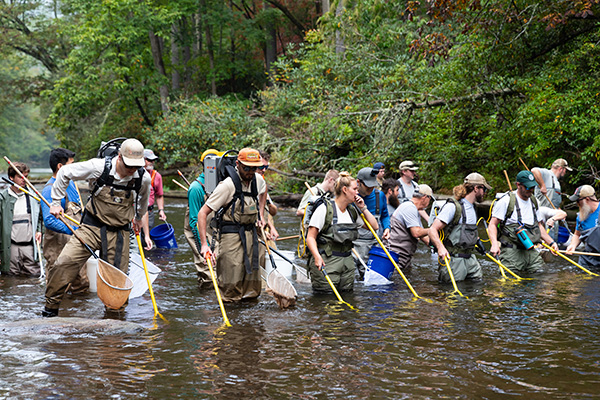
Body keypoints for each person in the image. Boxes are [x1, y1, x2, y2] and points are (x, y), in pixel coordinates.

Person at [43, 138, 151, 317]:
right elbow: (65, 173)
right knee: (64, 263)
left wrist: (138, 218)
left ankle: (114, 321)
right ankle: (50, 308)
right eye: (128, 165)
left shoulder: (143, 178)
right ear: (119, 157)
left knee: (117, 281)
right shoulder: (98, 167)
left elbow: (143, 201)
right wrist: (55, 202)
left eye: (135, 166)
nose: (132, 170)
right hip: (91, 226)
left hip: (119, 231)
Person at [197, 148, 267, 302]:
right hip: (230, 237)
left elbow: (264, 191)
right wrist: (204, 245)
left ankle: (249, 321)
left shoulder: (258, 181)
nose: (250, 172)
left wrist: (261, 214)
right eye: (246, 168)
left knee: (252, 285)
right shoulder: (227, 186)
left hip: (252, 236)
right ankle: (231, 318)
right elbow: (202, 214)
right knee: (231, 285)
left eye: (253, 168)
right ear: (238, 164)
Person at [305, 172, 378, 293]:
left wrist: (363, 208)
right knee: (325, 301)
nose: (357, 192)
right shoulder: (324, 209)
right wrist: (317, 257)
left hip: (347, 264)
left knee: (347, 297)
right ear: (344, 189)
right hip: (327, 262)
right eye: (354, 189)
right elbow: (310, 237)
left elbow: (374, 226)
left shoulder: (351, 211)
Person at [488, 170, 558, 274]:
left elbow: (538, 225)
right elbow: (492, 224)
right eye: (528, 187)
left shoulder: (534, 201)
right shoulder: (506, 201)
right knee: (510, 284)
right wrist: (494, 244)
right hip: (511, 252)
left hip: (531, 251)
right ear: (518, 185)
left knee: (542, 277)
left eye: (533, 187)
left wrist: (551, 242)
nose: (531, 190)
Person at [429, 173, 491, 282]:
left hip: (470, 258)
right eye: (484, 189)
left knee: (477, 286)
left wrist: (477, 241)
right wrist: (440, 248)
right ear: (476, 188)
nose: (485, 193)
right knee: (453, 295)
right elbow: (432, 229)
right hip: (454, 259)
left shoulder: (474, 208)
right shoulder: (453, 207)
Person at [41, 148, 88, 293]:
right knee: (59, 288)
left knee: (81, 285)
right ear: (60, 167)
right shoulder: (49, 190)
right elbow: (49, 221)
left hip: (75, 243)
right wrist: (72, 230)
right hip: (58, 247)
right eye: (71, 164)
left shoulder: (72, 184)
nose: (74, 168)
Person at [0, 162, 42, 276]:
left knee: (34, 278)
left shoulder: (33, 196)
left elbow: (39, 218)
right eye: (20, 176)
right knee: (10, 278)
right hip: (11, 247)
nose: (24, 180)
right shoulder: (3, 198)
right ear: (11, 178)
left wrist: (39, 230)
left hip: (29, 246)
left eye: (26, 177)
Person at [353, 167, 390, 280]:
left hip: (374, 243)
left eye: (373, 186)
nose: (371, 189)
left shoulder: (380, 196)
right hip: (354, 245)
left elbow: (385, 215)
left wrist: (387, 228)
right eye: (367, 186)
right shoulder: (350, 197)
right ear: (358, 182)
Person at [184, 149, 213, 289]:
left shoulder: (218, 185)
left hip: (213, 230)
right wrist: (203, 244)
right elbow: (194, 222)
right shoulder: (195, 188)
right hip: (199, 232)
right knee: (207, 270)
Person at [388, 184, 433, 270]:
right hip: (395, 257)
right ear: (424, 198)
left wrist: (439, 247)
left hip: (403, 257)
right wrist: (432, 229)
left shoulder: (413, 209)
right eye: (429, 199)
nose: (429, 202)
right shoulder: (409, 208)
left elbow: (424, 237)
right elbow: (416, 233)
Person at [566, 185, 600, 267]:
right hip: (589, 259)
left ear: (587, 199)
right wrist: (572, 245)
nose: (577, 204)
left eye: (578, 200)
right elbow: (577, 234)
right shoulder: (581, 217)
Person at [141, 149, 166, 249]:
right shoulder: (135, 173)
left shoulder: (157, 176)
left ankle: (145, 255)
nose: (151, 162)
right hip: (135, 210)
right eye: (149, 160)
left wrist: (161, 210)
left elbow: (159, 195)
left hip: (149, 211)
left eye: (153, 160)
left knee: (146, 236)